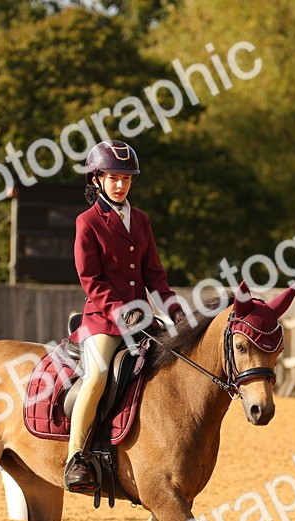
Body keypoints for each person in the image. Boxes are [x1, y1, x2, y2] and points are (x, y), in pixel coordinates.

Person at [64, 140, 185, 492]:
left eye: (126, 178)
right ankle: (76, 456)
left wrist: (175, 310)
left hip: (143, 319)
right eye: (113, 178)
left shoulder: (142, 221)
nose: (120, 185)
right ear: (97, 179)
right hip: (104, 320)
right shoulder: (87, 222)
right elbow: (91, 280)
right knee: (98, 375)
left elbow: (154, 276)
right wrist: (122, 311)